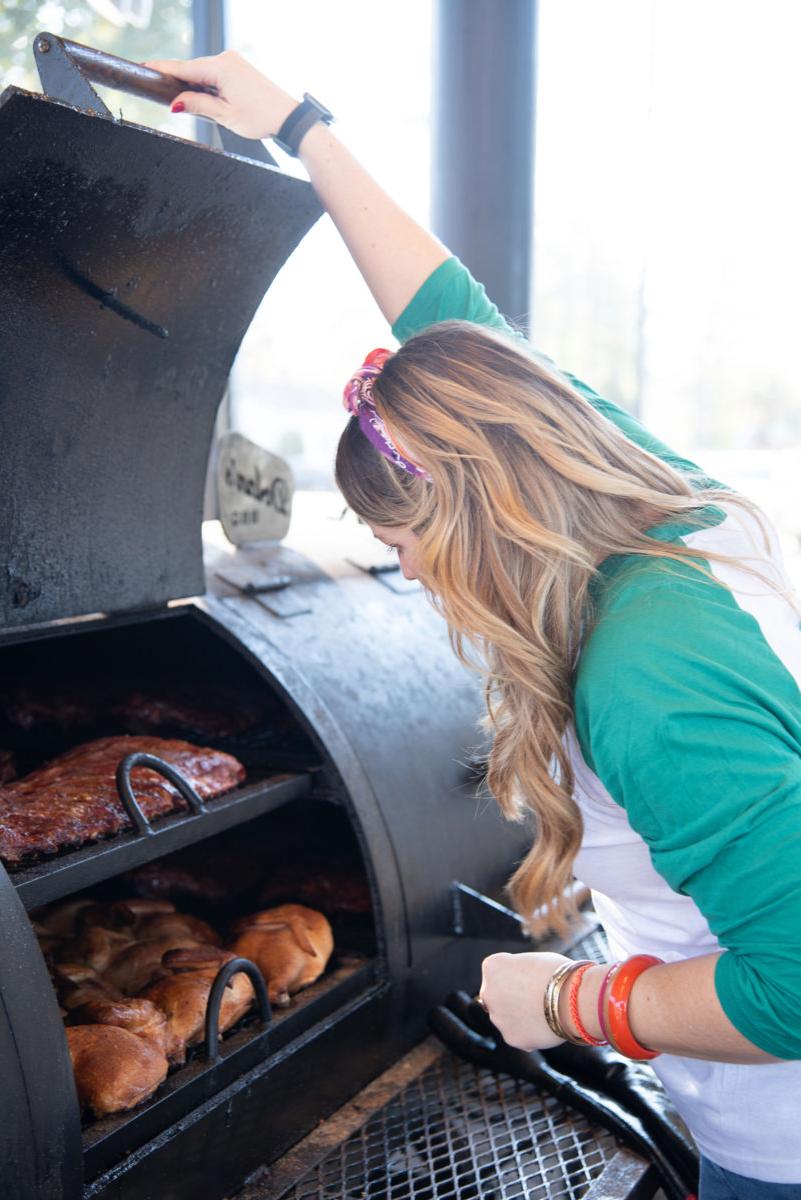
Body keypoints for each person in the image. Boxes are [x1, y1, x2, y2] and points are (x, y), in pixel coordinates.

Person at [147, 50, 801, 1198]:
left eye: (399, 542)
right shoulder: (648, 493)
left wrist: (569, 1001)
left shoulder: (645, 677)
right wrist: (300, 126)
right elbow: (457, 321)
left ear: (475, 518)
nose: (403, 570)